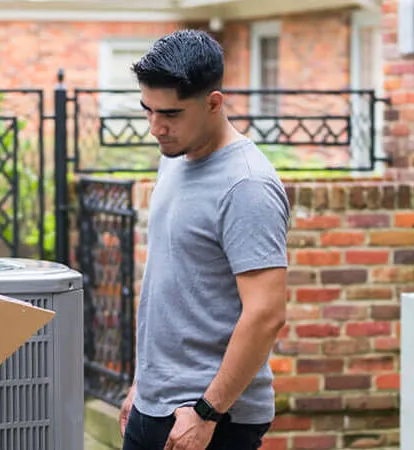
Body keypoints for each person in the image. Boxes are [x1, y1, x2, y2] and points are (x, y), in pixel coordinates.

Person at [118, 29, 289, 450]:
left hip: (209, 418)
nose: (156, 127)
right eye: (148, 110)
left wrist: (208, 412)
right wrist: (143, 383)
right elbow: (168, 285)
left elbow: (266, 314)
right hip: (155, 404)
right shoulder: (174, 160)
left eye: (171, 114)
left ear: (214, 102)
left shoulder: (246, 184)